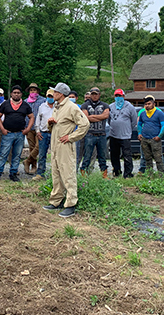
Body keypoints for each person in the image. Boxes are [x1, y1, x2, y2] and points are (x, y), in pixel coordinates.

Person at [42, 83, 89, 218]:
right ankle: (56, 200)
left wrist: (71, 137)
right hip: (55, 144)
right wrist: (50, 124)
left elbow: (85, 124)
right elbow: (56, 127)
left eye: (55, 92)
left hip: (65, 145)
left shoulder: (71, 107)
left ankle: (71, 204)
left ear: (60, 94)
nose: (52, 94)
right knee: (56, 173)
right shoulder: (57, 107)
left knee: (68, 174)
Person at [0, 85, 34, 182]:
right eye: (14, 93)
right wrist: (2, 128)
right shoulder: (5, 104)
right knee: (3, 154)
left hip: (20, 134)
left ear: (21, 94)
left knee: (17, 155)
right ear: (11, 94)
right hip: (8, 133)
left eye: (18, 93)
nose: (16, 94)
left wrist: (28, 129)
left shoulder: (25, 105)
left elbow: (31, 117)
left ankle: (13, 173)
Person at [79, 87, 110, 176]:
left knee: (102, 156)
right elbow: (85, 118)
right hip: (89, 134)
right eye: (92, 94)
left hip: (102, 134)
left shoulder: (105, 105)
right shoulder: (85, 105)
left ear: (99, 95)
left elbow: (106, 115)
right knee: (87, 156)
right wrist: (100, 116)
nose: (94, 96)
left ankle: (104, 174)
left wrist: (92, 117)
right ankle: (83, 173)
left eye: (96, 94)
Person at [108, 88, 138, 178]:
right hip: (113, 135)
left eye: (120, 96)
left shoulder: (130, 107)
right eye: (116, 96)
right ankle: (116, 171)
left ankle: (128, 174)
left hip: (125, 136)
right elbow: (109, 120)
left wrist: (127, 128)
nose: (118, 98)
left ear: (124, 96)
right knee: (114, 155)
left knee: (127, 155)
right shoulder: (111, 106)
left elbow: (134, 121)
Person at [137, 95, 164, 173]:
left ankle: (161, 174)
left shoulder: (159, 113)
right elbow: (139, 124)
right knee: (147, 158)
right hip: (145, 139)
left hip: (155, 139)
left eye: (149, 104)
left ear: (154, 104)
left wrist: (159, 136)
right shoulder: (143, 114)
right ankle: (149, 174)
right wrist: (139, 133)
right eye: (146, 104)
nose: (147, 106)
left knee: (158, 158)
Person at [32, 88, 55, 181]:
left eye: (52, 96)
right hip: (43, 132)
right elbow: (38, 118)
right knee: (42, 154)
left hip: (54, 133)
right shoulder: (42, 106)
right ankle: (40, 173)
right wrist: (37, 130)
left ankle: (54, 174)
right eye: (49, 96)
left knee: (55, 154)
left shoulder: (58, 106)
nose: (50, 98)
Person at [23, 83, 46, 175]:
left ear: (38, 91)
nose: (33, 91)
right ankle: (34, 166)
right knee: (32, 147)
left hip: (39, 127)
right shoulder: (25, 102)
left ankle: (27, 160)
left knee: (38, 146)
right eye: (31, 90)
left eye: (34, 90)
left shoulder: (43, 101)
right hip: (29, 127)